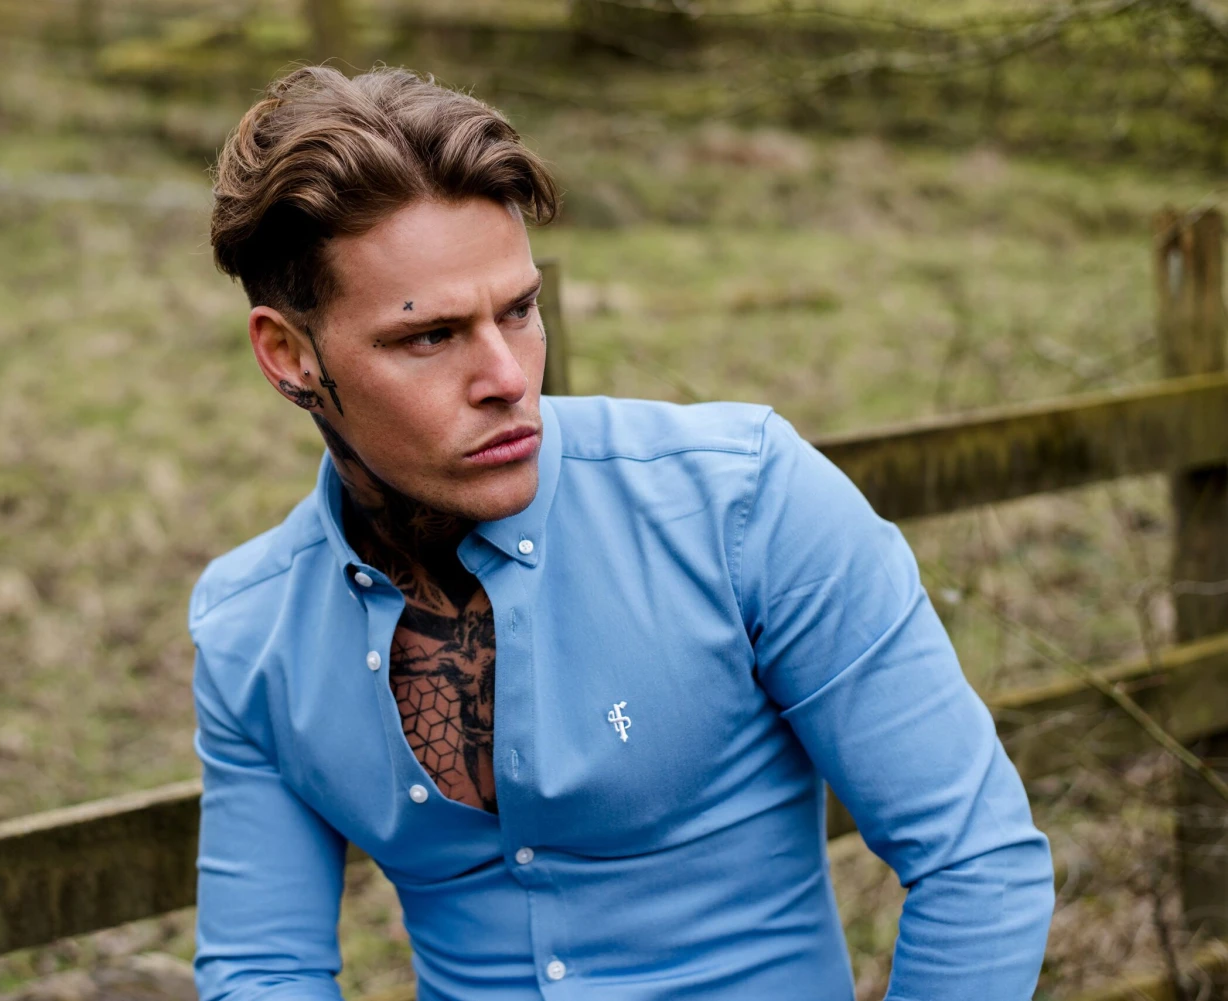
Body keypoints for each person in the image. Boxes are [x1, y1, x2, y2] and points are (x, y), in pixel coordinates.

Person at [190, 64, 1054, 1001]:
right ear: (290, 355)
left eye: (520, 311)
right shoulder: (251, 633)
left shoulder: (743, 505)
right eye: (429, 336)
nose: (507, 378)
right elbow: (263, 969)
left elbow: (977, 862)